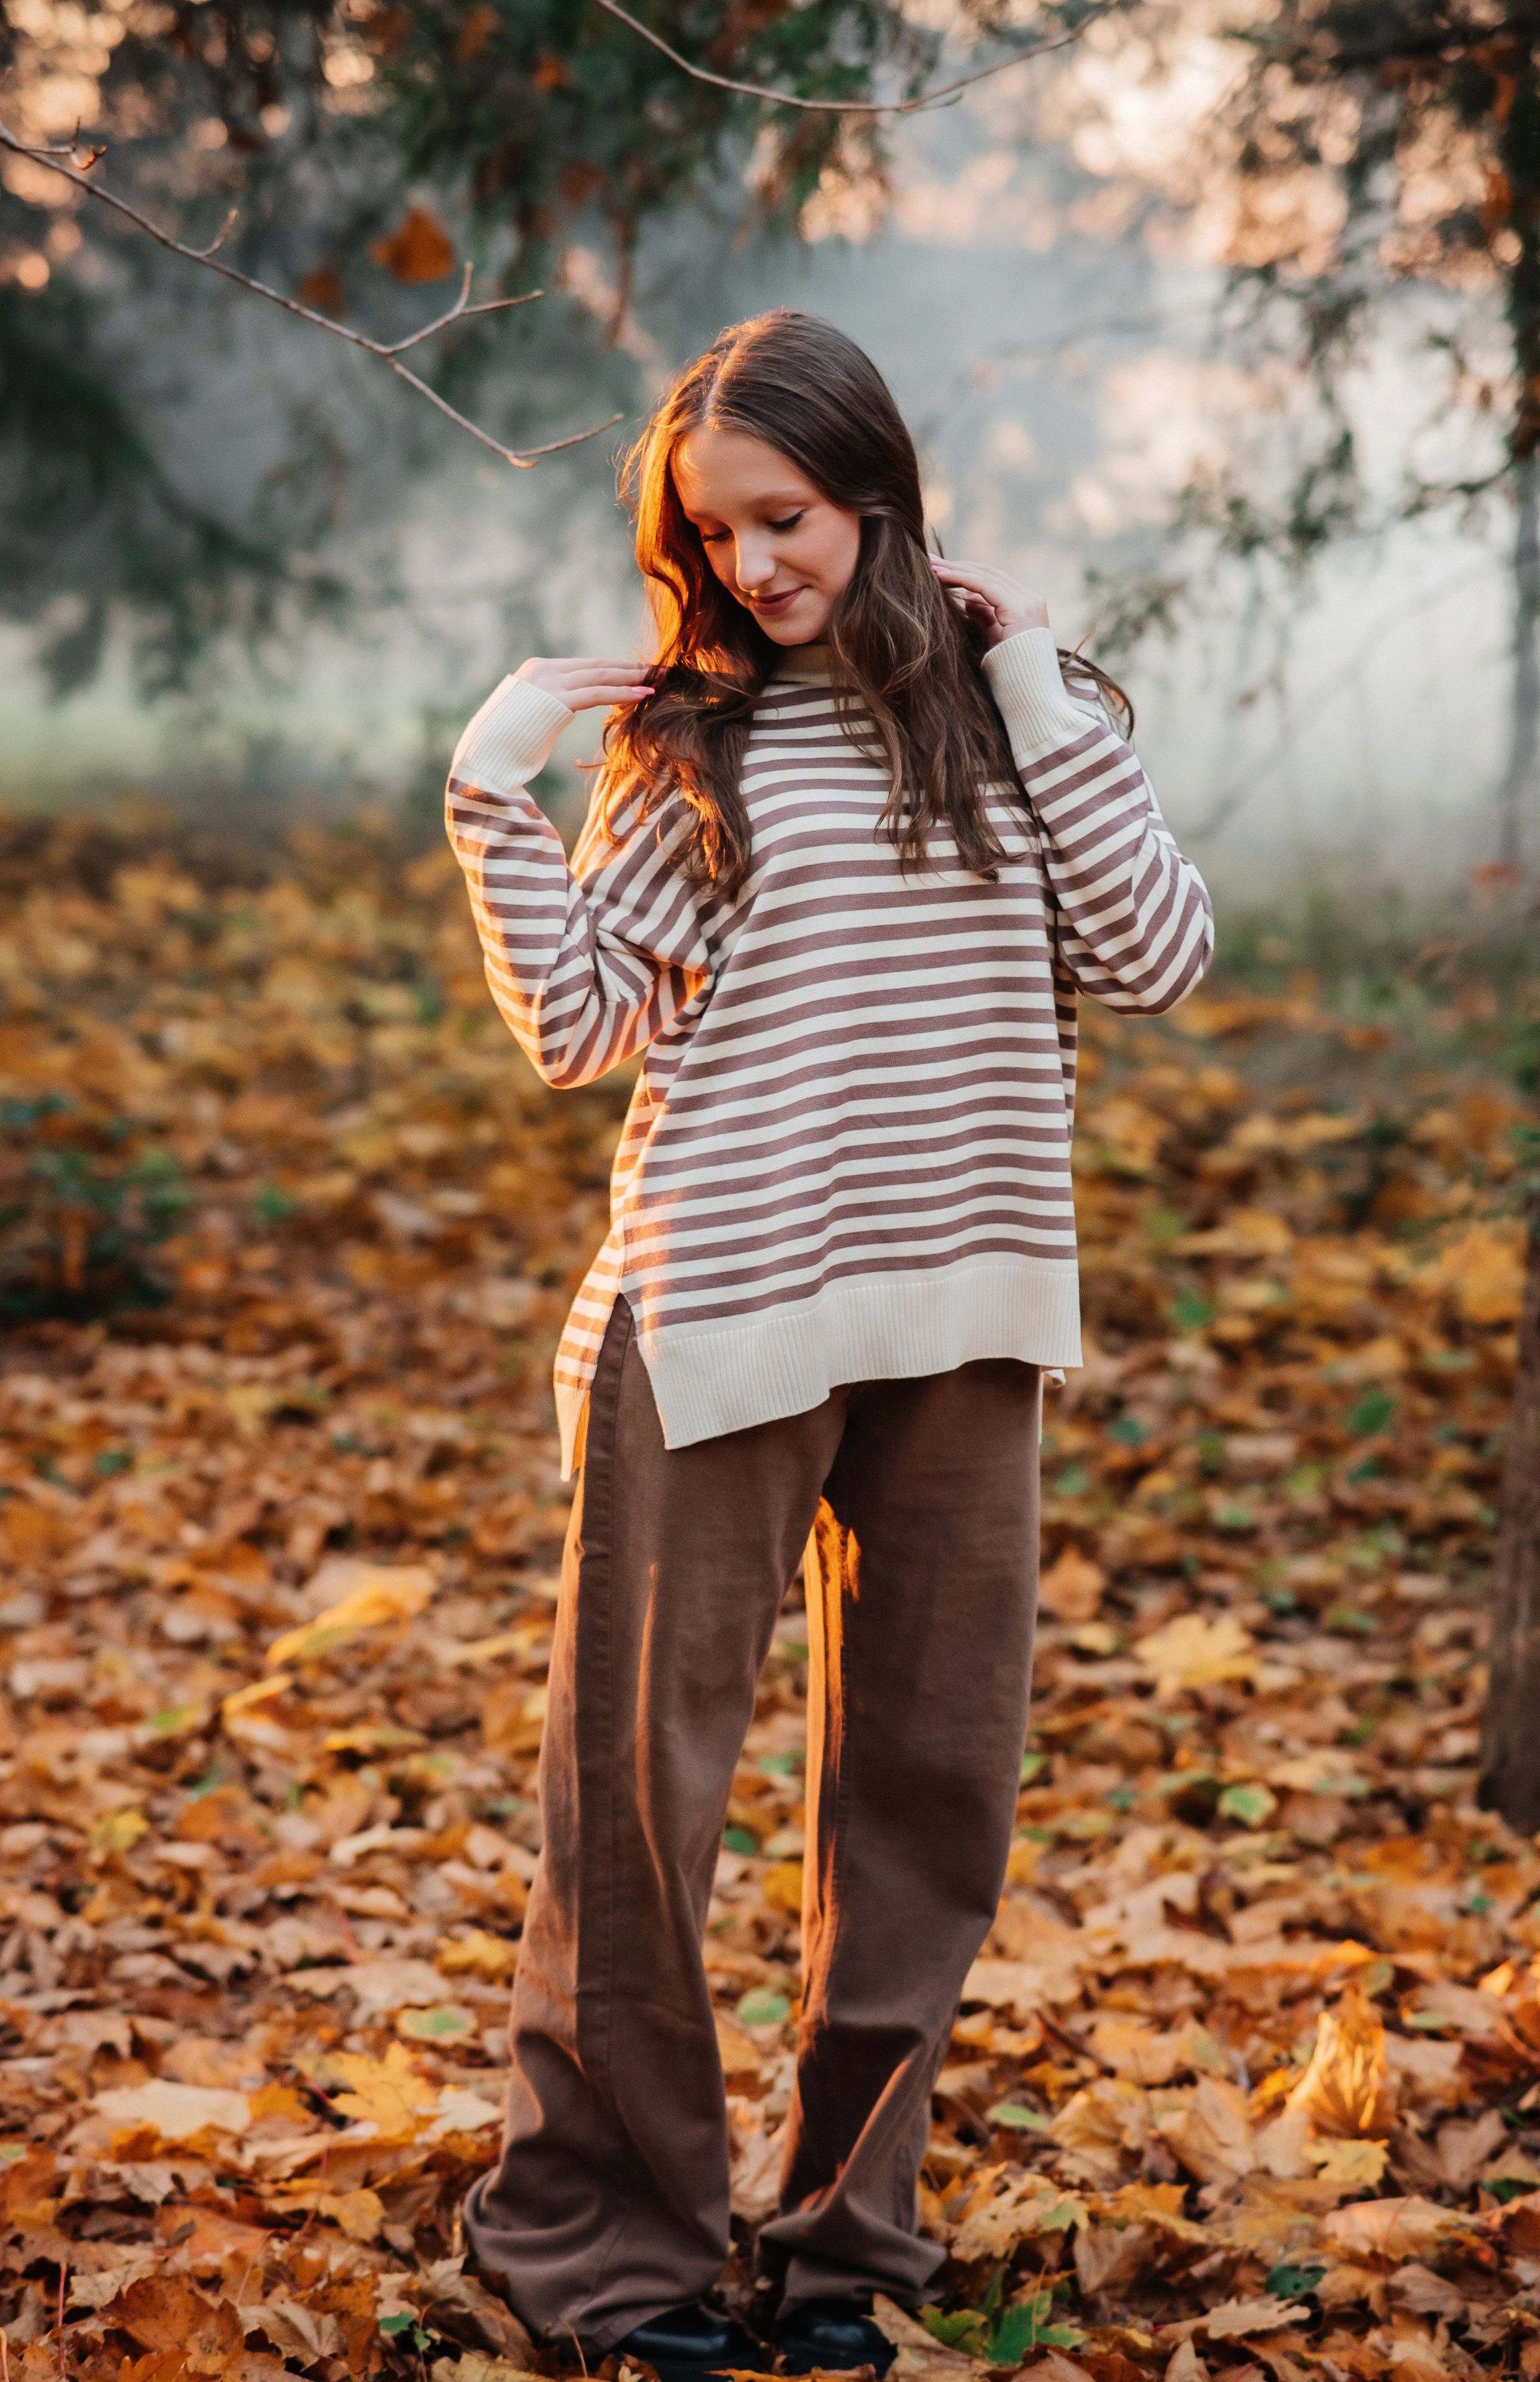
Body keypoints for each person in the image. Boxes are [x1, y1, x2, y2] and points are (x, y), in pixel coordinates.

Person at [446, 309, 1213, 2381]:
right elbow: (580, 1027)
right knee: (640, 1810)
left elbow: (1156, 950)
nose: (755, 567)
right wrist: (492, 779)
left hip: (964, 1317)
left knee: (929, 1804)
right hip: (708, 1314)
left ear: (876, 490)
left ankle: (842, 2245)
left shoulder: (1021, 722)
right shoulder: (696, 741)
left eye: (782, 518)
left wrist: (1041, 679)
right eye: (714, 537)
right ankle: (601, 2252)